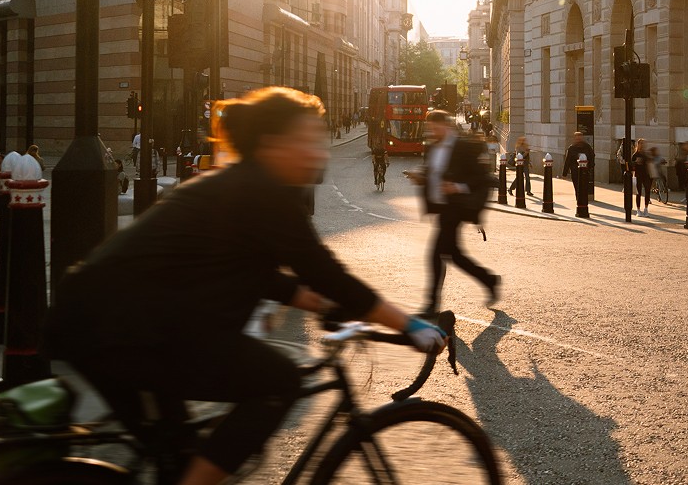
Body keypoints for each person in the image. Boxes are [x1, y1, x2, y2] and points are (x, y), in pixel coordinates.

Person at [45, 86, 445, 485]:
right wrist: (410, 326)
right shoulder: (263, 193)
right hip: (124, 329)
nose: (319, 152)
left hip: (101, 317)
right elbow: (327, 274)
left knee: (175, 453)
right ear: (273, 144)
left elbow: (260, 272)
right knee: (278, 382)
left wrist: (321, 306)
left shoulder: (239, 183)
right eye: (307, 141)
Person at [407, 109, 499, 314]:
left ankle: (431, 304)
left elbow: (481, 178)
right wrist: (420, 176)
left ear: (446, 126)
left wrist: (457, 187)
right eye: (429, 128)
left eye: (435, 128)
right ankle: (489, 280)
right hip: (441, 208)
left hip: (456, 207)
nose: (431, 132)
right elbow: (431, 171)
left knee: (435, 253)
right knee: (454, 255)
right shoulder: (431, 148)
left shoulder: (463, 147)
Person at [561, 130, 596, 199]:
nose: (579, 140)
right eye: (577, 138)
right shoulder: (571, 148)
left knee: (585, 185)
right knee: (576, 185)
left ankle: (583, 198)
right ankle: (579, 198)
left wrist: (591, 166)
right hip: (575, 170)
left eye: (580, 138)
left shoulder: (587, 147)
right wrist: (564, 173)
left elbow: (592, 156)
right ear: (575, 139)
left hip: (585, 170)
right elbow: (567, 161)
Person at [630, 138, 652, 214]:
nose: (642, 145)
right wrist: (635, 162)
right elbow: (630, 165)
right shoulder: (635, 155)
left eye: (644, 144)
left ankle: (646, 208)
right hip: (638, 175)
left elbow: (649, 162)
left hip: (646, 174)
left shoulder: (646, 154)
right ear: (638, 145)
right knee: (638, 192)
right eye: (641, 144)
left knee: (647, 191)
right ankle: (638, 209)